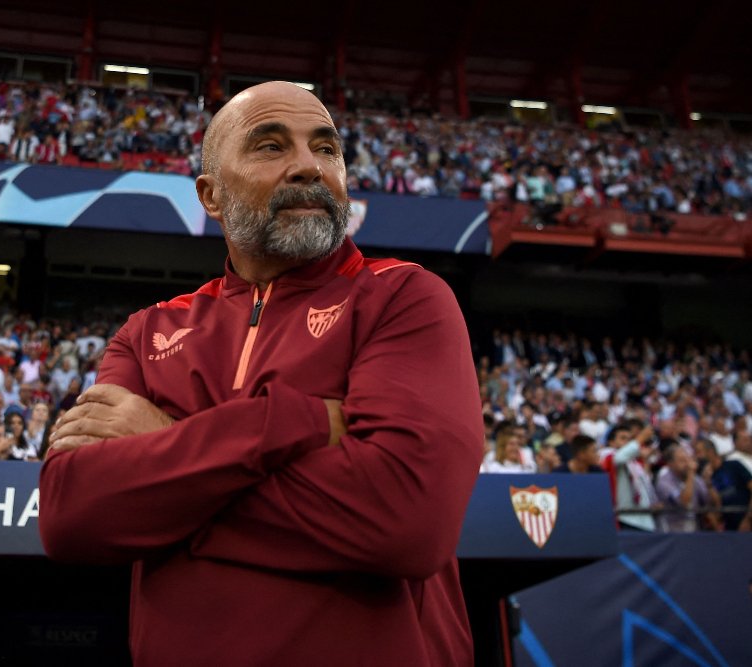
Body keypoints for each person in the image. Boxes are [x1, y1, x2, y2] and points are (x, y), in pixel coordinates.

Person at [39, 81, 483, 666]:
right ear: (211, 195)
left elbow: (405, 522)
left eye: (326, 149)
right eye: (271, 147)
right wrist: (293, 421)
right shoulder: (146, 333)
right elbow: (73, 515)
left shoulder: (404, 296)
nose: (307, 167)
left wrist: (164, 447)